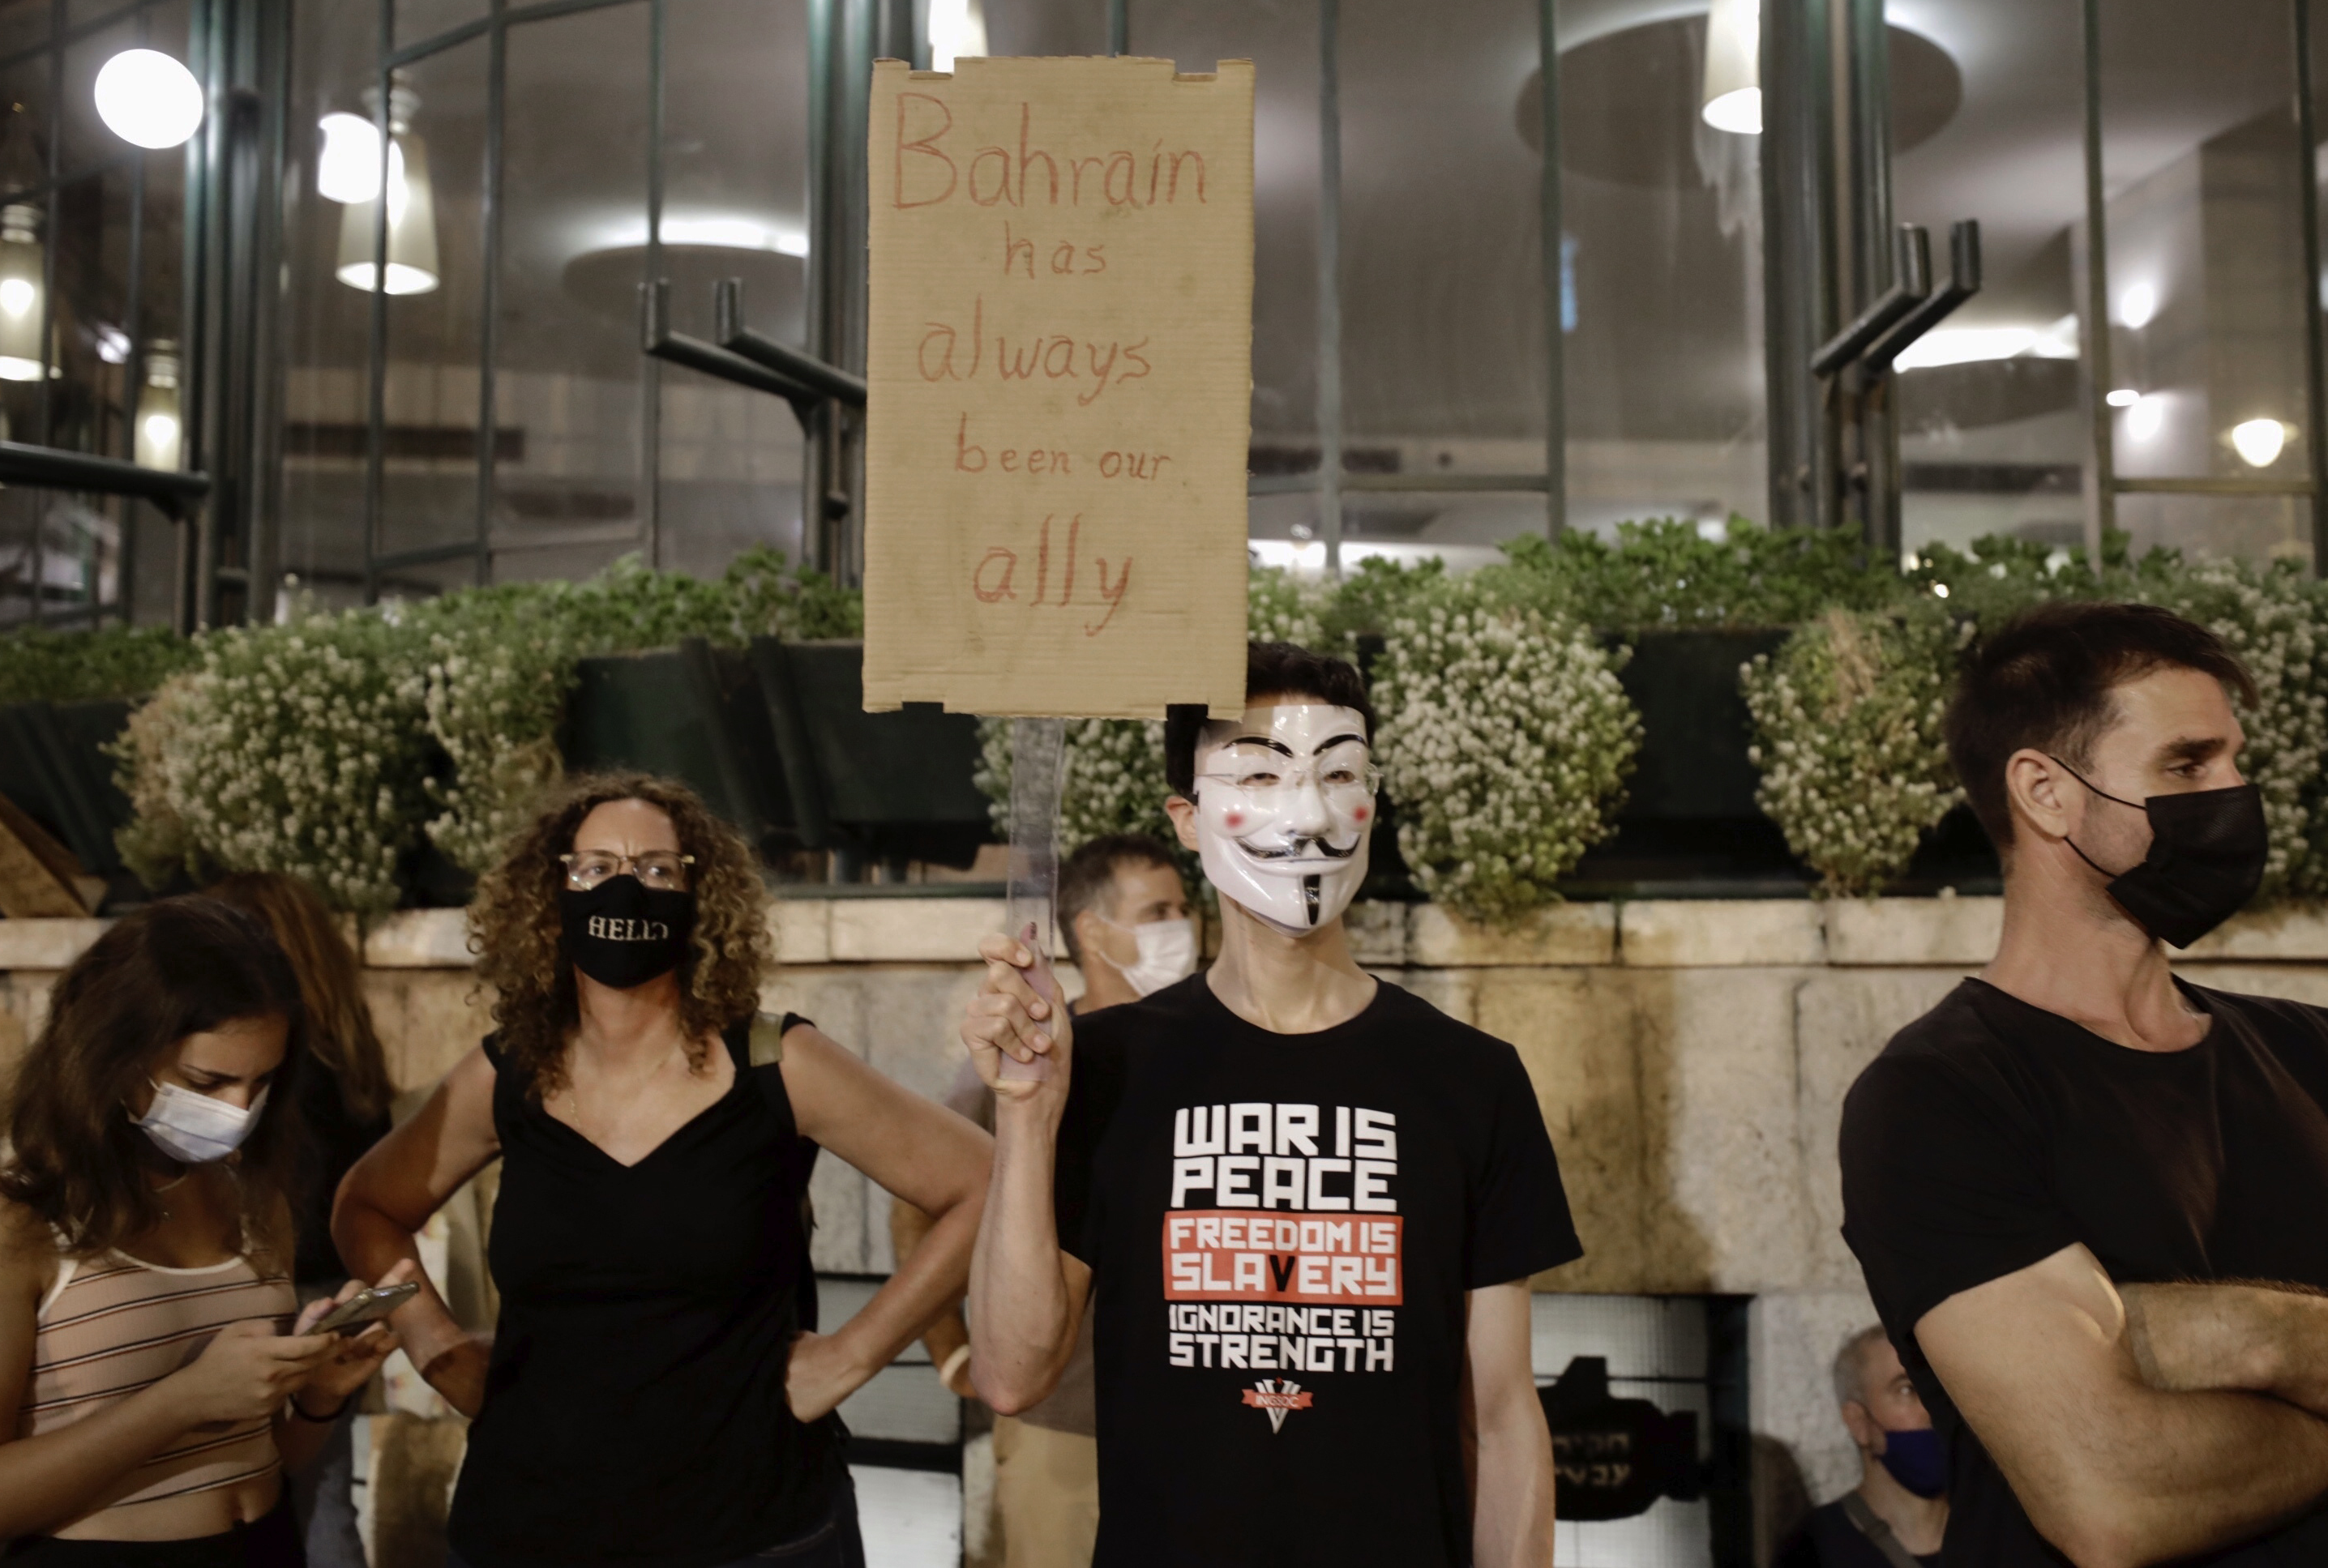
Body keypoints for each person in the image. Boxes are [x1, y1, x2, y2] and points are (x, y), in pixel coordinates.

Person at [964, 641, 1582, 1567]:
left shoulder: (1469, 1079)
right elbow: (1011, 1373)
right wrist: (1023, 1115)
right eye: (1259, 771)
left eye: (1338, 772)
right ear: (1187, 816)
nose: (1307, 812)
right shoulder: (1104, 1067)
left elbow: (1497, 1414)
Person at [332, 772, 993, 1568]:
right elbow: (363, 1209)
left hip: (755, 1533)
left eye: (654, 868)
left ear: (698, 893)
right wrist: (430, 1341)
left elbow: (982, 1183)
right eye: (595, 866)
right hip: (527, 1529)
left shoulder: (775, 1064)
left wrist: (854, 1355)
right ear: (550, 894)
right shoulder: (506, 1076)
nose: (623, 886)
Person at [1840, 601, 2328, 1566]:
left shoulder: (2310, 1051)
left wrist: (2174, 1330)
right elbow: (2108, 1497)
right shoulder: (1936, 1095)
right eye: (2186, 766)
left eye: (2235, 761)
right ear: (2045, 793)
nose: (2235, 793)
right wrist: (2277, 1335)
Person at [0, 896, 404, 1564]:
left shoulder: (251, 1199)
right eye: (206, 1080)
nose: (240, 1110)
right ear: (117, 1057)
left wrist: (318, 1397)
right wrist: (180, 1400)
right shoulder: (7, 1224)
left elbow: (262, 1459)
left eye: (262, 1080)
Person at [892, 833, 1194, 1568]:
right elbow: (914, 1205)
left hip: (1194, 1426)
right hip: (1064, 1425)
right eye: (1158, 911)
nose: (1184, 928)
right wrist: (953, 1350)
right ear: (1092, 929)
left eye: (1185, 909)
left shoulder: (1208, 1048)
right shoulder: (1030, 1052)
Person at [207, 874, 397, 1568]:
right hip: (333, 1285)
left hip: (265, 1285)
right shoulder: (349, 1053)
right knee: (324, 1492)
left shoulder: (265, 1069)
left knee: (252, 1488)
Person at [1774, 1326, 1947, 1568]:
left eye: (1940, 1389)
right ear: (1859, 1422)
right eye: (1907, 1390)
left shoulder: (2000, 1534)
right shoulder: (1813, 1548)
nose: (1934, 1409)